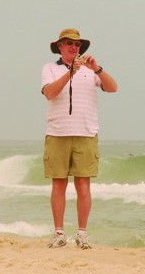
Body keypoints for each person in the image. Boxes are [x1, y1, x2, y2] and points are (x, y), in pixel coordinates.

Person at [41, 28, 118, 249]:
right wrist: (70, 73)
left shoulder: (90, 71)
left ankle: (82, 234)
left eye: (77, 44)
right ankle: (59, 233)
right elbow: (50, 93)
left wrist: (97, 68)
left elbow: (113, 88)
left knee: (84, 185)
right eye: (68, 44)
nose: (74, 47)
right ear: (60, 47)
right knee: (58, 185)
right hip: (57, 133)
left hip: (86, 132)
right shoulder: (49, 69)